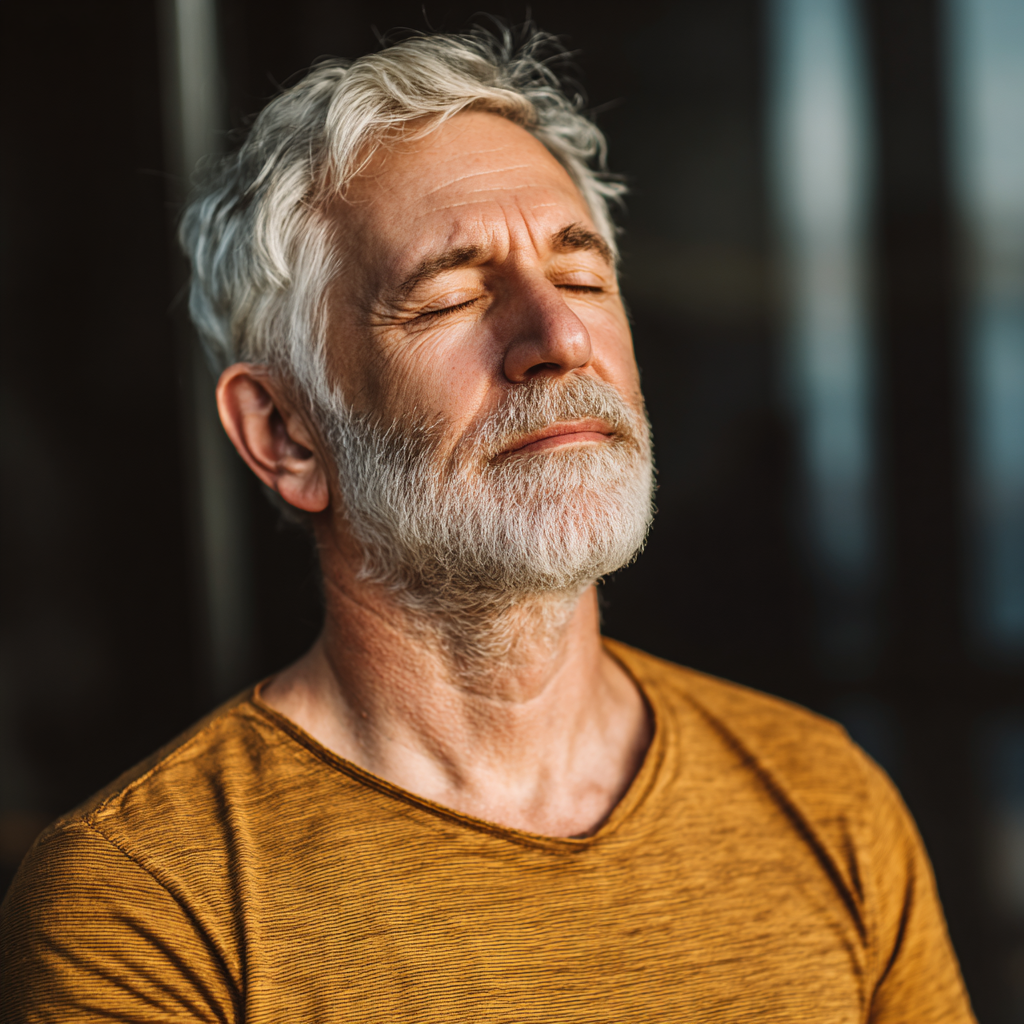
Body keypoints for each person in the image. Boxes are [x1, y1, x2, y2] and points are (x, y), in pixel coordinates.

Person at [0, 25, 974, 1023]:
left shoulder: (825, 798)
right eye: (452, 295)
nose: (558, 339)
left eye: (583, 277)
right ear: (286, 432)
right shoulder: (147, 900)